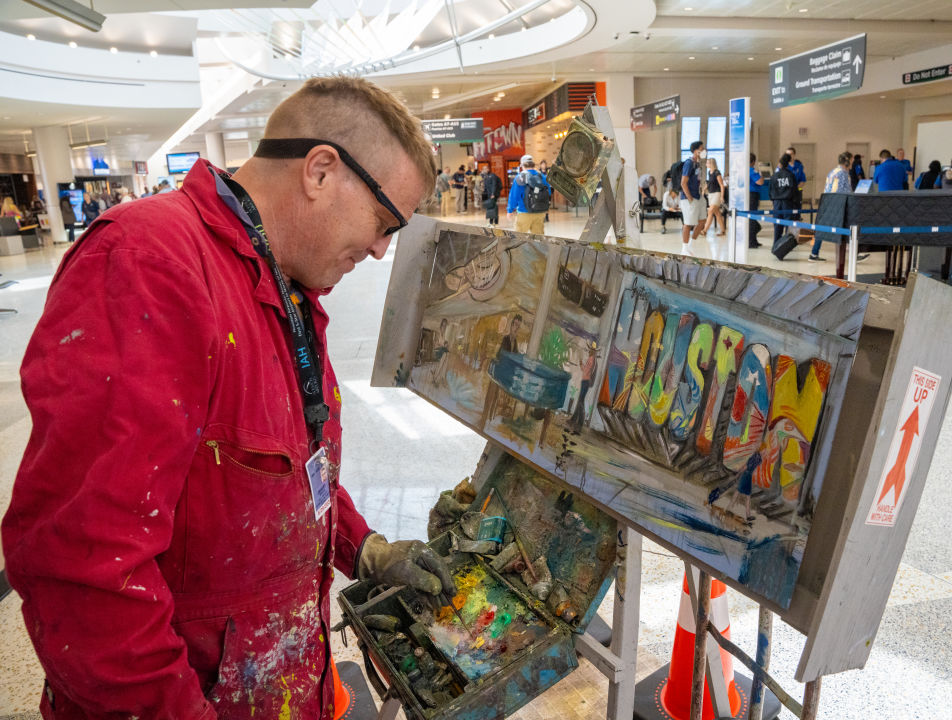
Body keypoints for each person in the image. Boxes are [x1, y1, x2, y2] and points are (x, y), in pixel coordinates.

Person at [2, 76, 456, 719]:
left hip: (282, 683)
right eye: (386, 221)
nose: (383, 249)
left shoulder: (287, 285)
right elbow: (85, 566)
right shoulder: (149, 263)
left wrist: (362, 545)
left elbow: (286, 475)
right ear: (321, 170)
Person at [810, 152, 853, 262]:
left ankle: (814, 253)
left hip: (827, 202)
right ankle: (854, 254)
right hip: (837, 204)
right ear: (847, 161)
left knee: (821, 228)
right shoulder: (843, 174)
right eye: (852, 161)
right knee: (848, 227)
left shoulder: (833, 171)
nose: (853, 164)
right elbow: (845, 192)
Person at [507, 154, 551, 234]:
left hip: (524, 212)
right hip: (540, 212)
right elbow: (549, 192)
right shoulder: (542, 176)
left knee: (519, 239)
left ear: (523, 165)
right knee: (538, 239)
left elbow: (514, 196)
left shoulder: (520, 177)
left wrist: (510, 210)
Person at [679, 140, 706, 255]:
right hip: (689, 198)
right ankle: (684, 248)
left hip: (698, 196)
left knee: (702, 221)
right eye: (702, 148)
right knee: (688, 223)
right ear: (696, 151)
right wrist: (689, 198)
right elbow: (683, 182)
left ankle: (691, 245)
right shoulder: (689, 163)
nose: (704, 150)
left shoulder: (697, 164)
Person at [768, 153, 797, 253]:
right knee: (788, 225)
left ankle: (775, 245)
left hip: (776, 203)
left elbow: (770, 191)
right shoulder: (791, 175)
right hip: (787, 202)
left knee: (777, 224)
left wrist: (774, 200)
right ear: (788, 163)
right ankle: (785, 246)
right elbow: (794, 190)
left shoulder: (774, 176)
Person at [704, 157, 726, 238]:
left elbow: (721, 185)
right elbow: (709, 183)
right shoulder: (709, 172)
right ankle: (723, 231)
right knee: (717, 214)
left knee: (710, 211)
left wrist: (722, 196)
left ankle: (704, 230)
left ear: (711, 164)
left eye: (707, 163)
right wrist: (704, 189)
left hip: (717, 194)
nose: (706, 164)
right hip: (711, 194)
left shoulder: (717, 172)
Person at [748, 152, 764, 248]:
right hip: (752, 196)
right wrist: (761, 175)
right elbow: (760, 182)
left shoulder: (743, 170)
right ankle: (751, 241)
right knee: (752, 219)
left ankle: (753, 240)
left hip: (747, 196)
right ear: (753, 161)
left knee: (752, 219)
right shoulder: (751, 171)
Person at [786, 147, 806, 219]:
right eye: (787, 154)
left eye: (791, 154)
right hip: (786, 193)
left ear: (794, 155)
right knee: (788, 214)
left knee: (797, 213)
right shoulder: (784, 166)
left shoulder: (799, 166)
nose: (789, 156)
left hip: (797, 192)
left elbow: (803, 180)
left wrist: (796, 188)